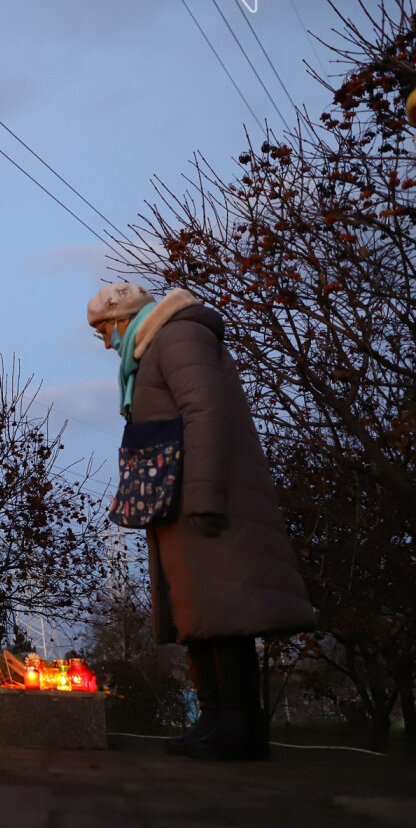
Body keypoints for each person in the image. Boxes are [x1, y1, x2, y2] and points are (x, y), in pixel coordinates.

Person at [87, 282, 313, 761]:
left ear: (127, 319)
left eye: (107, 330)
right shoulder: (155, 350)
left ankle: (237, 725)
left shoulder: (177, 338)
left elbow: (204, 412)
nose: (107, 344)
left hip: (199, 496)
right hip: (178, 499)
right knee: (197, 609)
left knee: (224, 608)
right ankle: (215, 717)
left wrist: (204, 494)